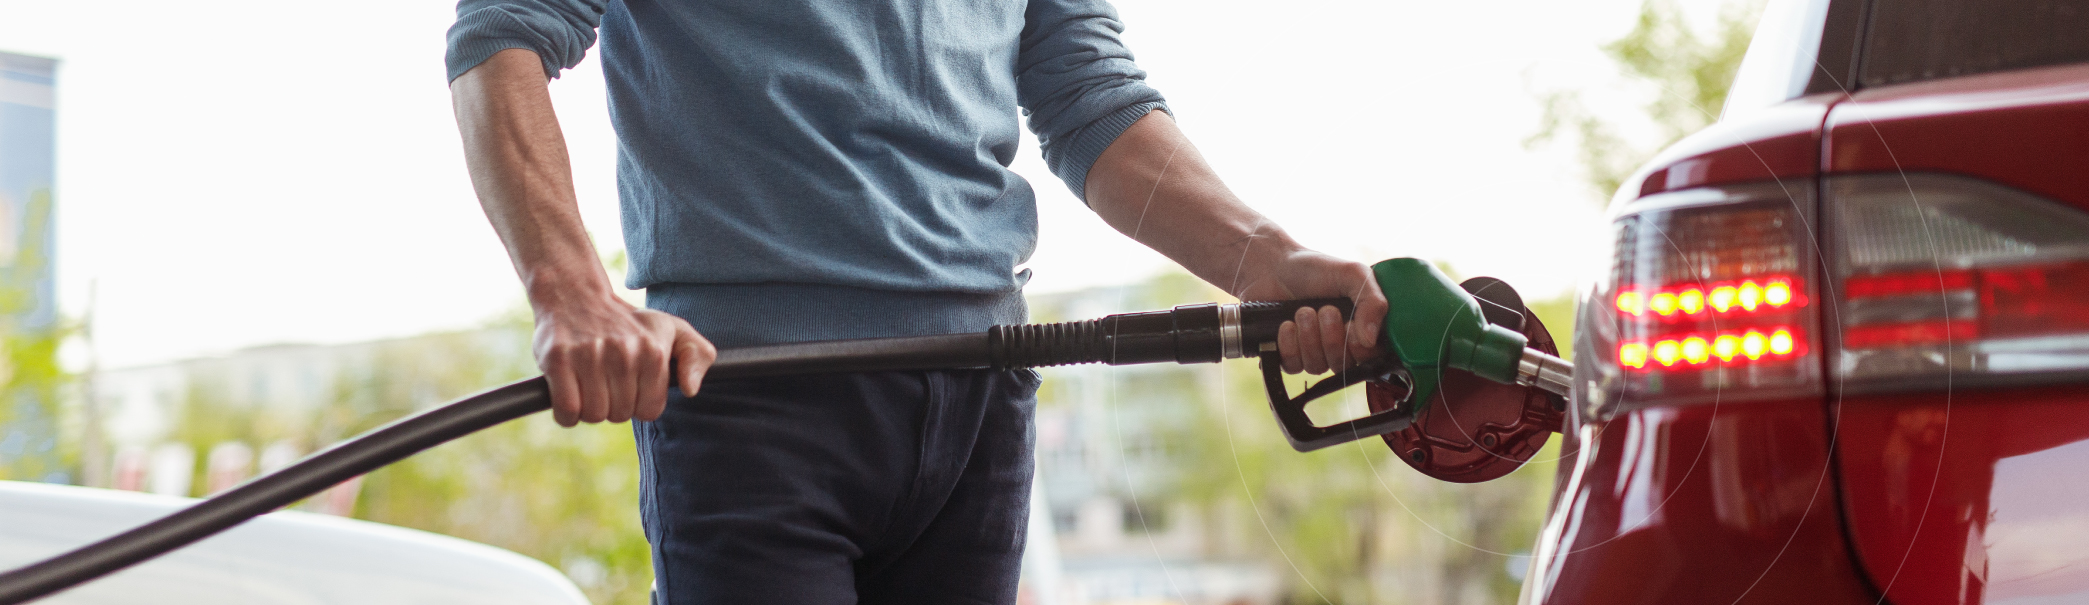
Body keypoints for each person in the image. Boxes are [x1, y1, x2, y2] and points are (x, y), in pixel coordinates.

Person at [445, 0, 1389, 602]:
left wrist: (1266, 260)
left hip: (982, 400)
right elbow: (501, 30)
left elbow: (1088, 95)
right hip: (757, 400)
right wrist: (571, 292)